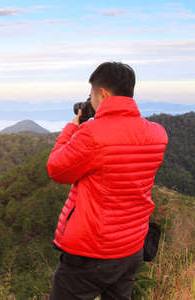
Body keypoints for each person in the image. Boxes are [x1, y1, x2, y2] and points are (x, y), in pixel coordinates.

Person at [46, 62, 168, 300]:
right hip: (132, 247)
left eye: (91, 94)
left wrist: (72, 128)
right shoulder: (157, 134)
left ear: (102, 92)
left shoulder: (92, 135)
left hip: (92, 252)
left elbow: (57, 170)